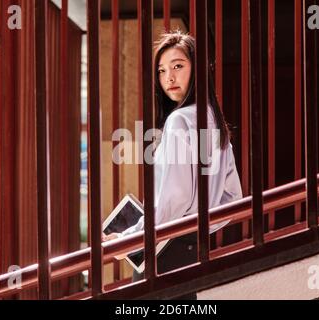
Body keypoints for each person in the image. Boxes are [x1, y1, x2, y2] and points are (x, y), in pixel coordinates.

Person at [103, 30, 243, 300]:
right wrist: (196, 227)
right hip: (191, 251)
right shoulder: (215, 121)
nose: (169, 77)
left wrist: (128, 240)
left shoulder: (179, 120)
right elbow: (232, 199)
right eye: (162, 70)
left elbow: (173, 201)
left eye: (178, 66)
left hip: (162, 253)